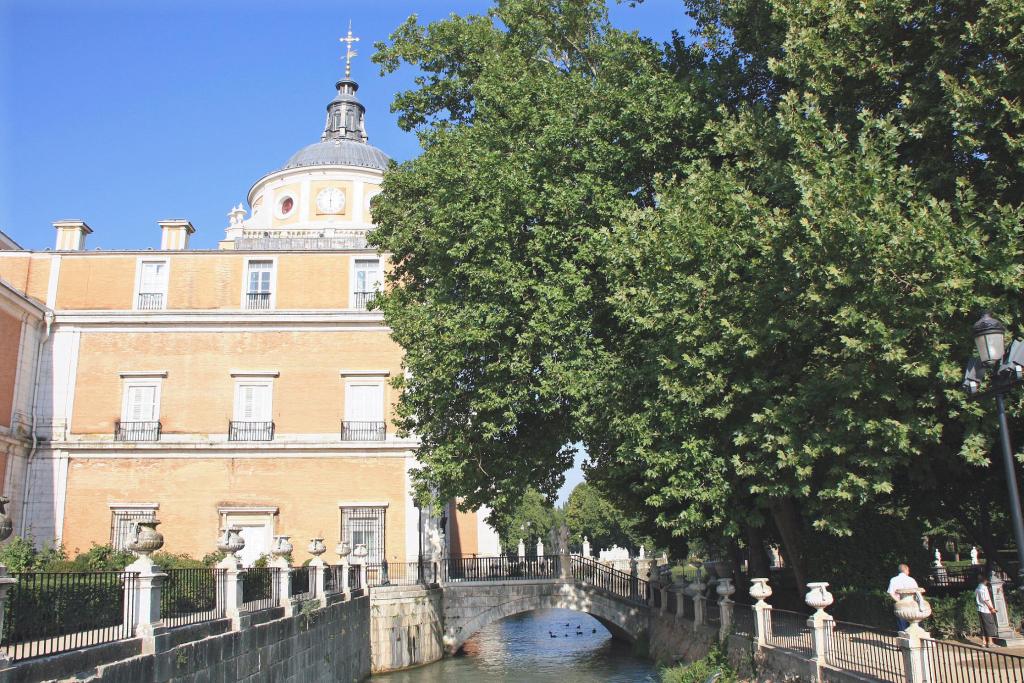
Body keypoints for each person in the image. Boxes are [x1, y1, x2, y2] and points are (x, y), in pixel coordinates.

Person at [887, 564, 919, 631]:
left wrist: (899, 601)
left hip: (900, 603)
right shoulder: (911, 580)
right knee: (913, 622)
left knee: (902, 624)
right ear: (906, 570)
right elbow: (917, 592)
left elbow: (891, 593)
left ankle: (903, 637)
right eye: (908, 570)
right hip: (911, 603)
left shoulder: (893, 580)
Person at [976, 575, 998, 648]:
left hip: (980, 609)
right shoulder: (984, 588)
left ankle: (984, 642)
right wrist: (991, 608)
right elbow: (985, 599)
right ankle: (990, 643)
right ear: (985, 580)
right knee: (989, 625)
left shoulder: (977, 588)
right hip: (985, 609)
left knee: (983, 626)